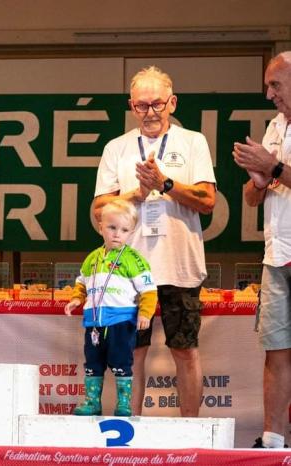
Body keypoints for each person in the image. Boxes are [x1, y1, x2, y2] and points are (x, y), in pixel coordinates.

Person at [93, 66, 216, 417]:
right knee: (130, 352)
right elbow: (98, 209)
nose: (150, 113)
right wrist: (137, 193)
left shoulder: (193, 142)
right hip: (128, 268)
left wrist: (165, 184)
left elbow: (207, 201)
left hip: (180, 265)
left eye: (157, 104)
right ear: (131, 106)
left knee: (185, 350)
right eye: (142, 106)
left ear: (172, 103)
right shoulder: (116, 148)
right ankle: (130, 431)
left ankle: (191, 433)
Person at [232, 51, 291, 449]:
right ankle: (273, 439)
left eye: (276, 85)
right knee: (276, 348)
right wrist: (258, 179)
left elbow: (277, 173)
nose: (269, 93)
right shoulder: (274, 126)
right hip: (277, 254)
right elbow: (251, 199)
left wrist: (273, 170)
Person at [66, 200, 157, 416]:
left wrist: (145, 314)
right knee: (93, 363)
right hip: (94, 322)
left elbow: (149, 291)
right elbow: (81, 282)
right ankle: (92, 403)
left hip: (121, 321)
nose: (117, 234)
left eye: (124, 230)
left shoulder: (134, 260)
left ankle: (124, 404)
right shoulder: (92, 258)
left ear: (131, 233)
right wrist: (76, 299)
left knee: (121, 362)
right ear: (100, 227)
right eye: (112, 227)